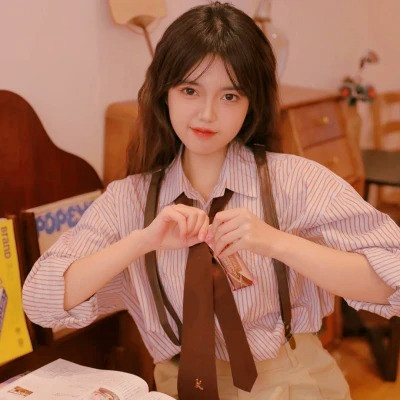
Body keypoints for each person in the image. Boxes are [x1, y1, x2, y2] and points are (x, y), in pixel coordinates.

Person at [23, 2, 400, 399]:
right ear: (164, 93)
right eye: (190, 90)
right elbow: (39, 303)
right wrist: (141, 242)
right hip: (181, 385)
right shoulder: (128, 201)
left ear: (251, 103)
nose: (207, 114)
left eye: (230, 96)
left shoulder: (294, 182)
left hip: (291, 381)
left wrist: (278, 242)